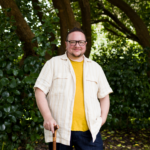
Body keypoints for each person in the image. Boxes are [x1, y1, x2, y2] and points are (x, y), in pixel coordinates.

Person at [34, 27, 113, 150]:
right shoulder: (53, 64)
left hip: (90, 132)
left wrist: (102, 120)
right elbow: (39, 91)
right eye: (73, 42)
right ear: (66, 44)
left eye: (81, 42)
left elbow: (104, 96)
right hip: (60, 130)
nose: (77, 45)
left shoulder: (96, 68)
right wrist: (47, 117)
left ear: (85, 44)